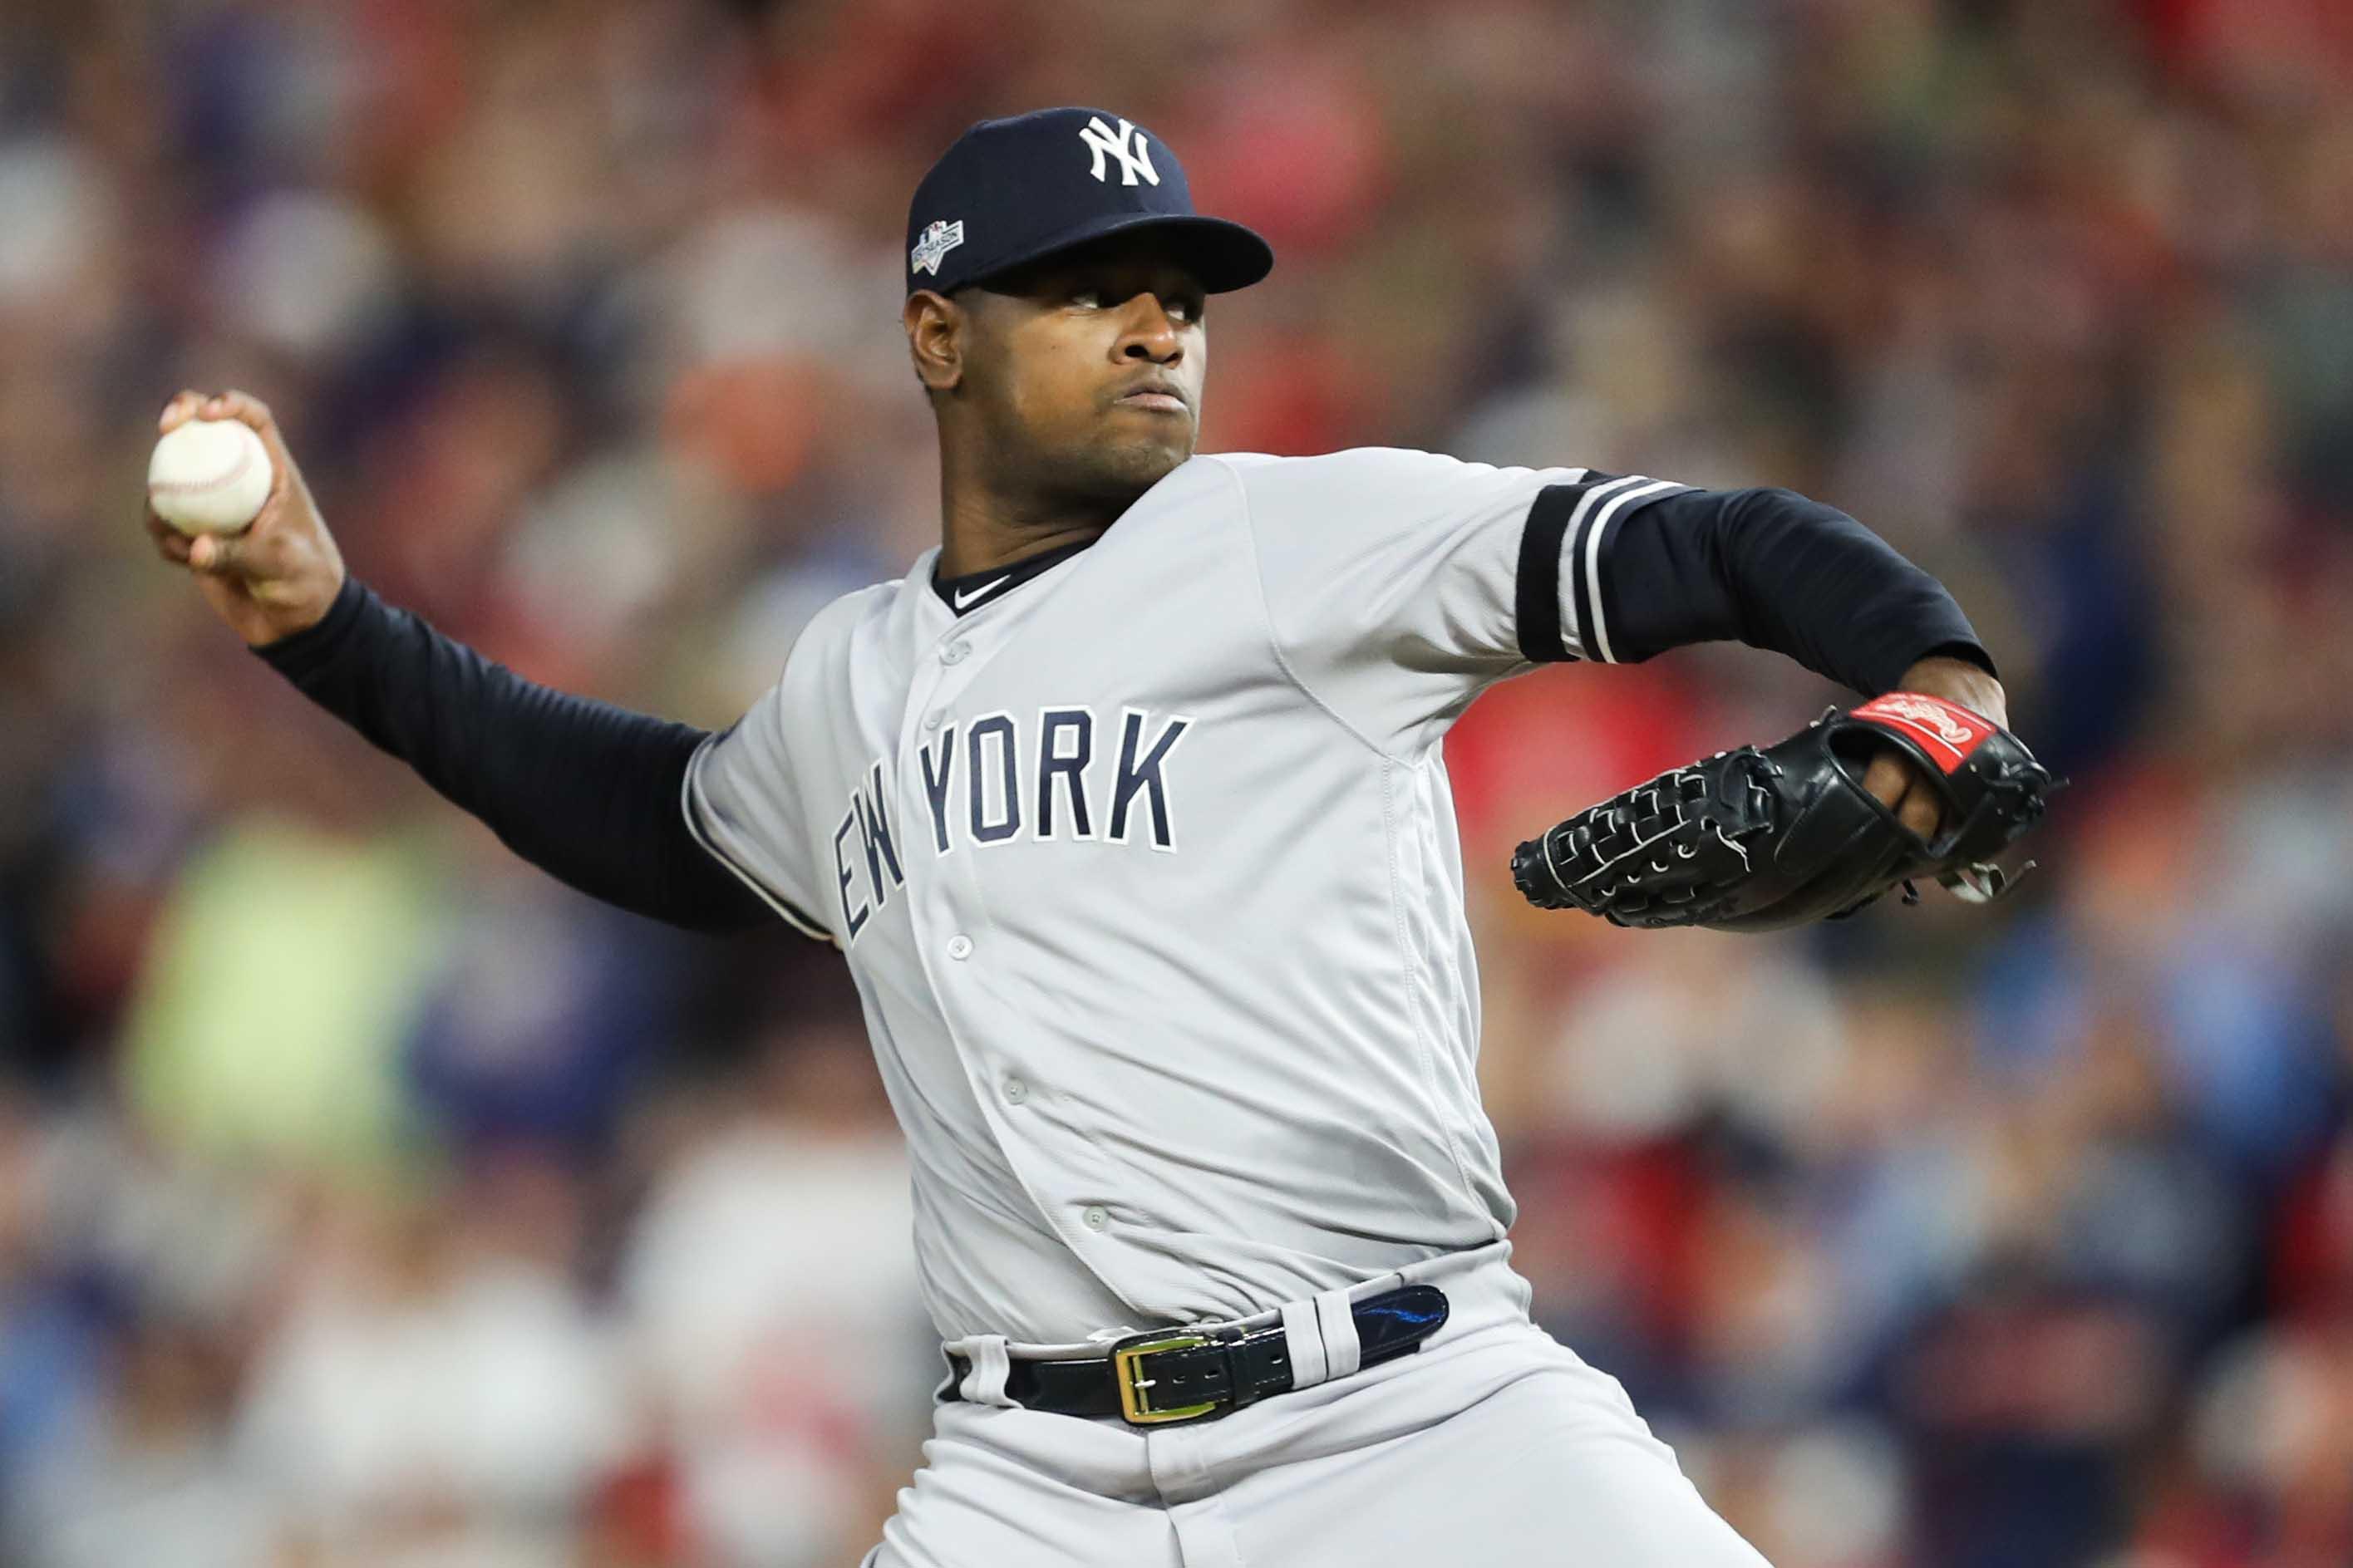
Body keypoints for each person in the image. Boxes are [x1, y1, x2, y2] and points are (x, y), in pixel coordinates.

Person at [147, 106, 2005, 1566]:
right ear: (939, 337)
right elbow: (662, 822)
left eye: (1180, 295)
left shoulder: (1301, 539)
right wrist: (332, 630)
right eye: (1088, 286)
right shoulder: (850, 677)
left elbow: (1716, 541)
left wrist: (1936, 687)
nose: (1155, 327)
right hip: (1026, 1478)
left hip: (1412, 1417)